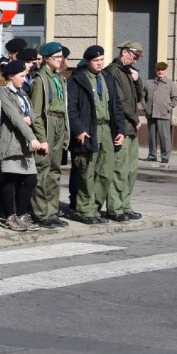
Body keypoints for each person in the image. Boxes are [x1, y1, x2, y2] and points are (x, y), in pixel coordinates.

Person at [67, 45, 126, 224]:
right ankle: (85, 210)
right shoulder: (77, 79)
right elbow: (71, 108)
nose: (100, 63)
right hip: (88, 131)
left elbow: (116, 105)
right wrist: (78, 129)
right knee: (87, 172)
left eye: (101, 60)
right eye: (95, 60)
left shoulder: (107, 77)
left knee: (106, 172)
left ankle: (95, 207)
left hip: (106, 129)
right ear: (87, 61)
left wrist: (121, 130)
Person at [0, 61, 48, 232]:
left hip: (24, 144)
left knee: (30, 179)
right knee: (10, 180)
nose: (24, 80)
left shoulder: (22, 93)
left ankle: (23, 215)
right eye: (22, 76)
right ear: (11, 76)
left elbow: (32, 112)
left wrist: (30, 119)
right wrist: (33, 138)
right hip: (11, 142)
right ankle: (10, 216)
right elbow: (14, 117)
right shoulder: (3, 93)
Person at [29, 42, 71, 228]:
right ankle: (41, 213)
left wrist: (66, 131)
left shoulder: (60, 78)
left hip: (60, 124)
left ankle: (52, 212)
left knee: (55, 172)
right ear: (46, 58)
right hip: (47, 126)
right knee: (42, 172)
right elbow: (36, 112)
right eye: (56, 57)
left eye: (61, 57)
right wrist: (42, 138)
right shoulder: (40, 80)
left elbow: (65, 108)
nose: (59, 60)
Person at [105, 41, 146, 221]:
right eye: (134, 56)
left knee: (131, 170)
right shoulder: (114, 71)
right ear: (125, 52)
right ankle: (115, 208)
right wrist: (135, 119)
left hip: (130, 128)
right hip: (121, 127)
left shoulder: (128, 72)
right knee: (119, 170)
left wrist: (138, 81)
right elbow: (120, 102)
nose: (136, 60)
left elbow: (138, 97)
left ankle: (126, 206)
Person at [144, 61, 177, 163]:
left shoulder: (170, 84)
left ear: (166, 71)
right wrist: (145, 107)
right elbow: (143, 96)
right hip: (151, 114)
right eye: (158, 70)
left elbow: (175, 98)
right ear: (155, 70)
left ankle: (165, 156)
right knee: (152, 136)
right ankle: (152, 155)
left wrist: (168, 108)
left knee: (164, 136)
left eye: (162, 70)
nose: (160, 72)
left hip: (163, 114)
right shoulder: (149, 83)